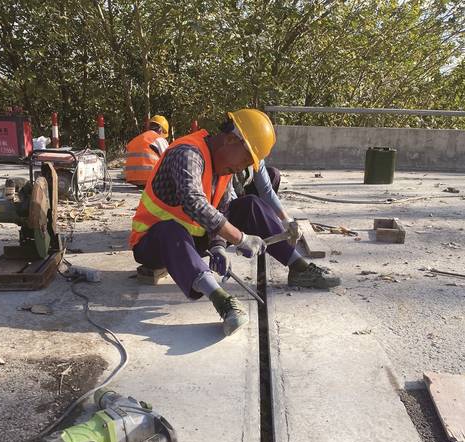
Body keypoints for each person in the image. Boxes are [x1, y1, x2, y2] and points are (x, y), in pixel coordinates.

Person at [129, 108, 340, 336]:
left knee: (250, 204)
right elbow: (193, 202)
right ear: (230, 139)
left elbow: (223, 210)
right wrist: (240, 239)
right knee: (171, 230)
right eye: (247, 158)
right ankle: (223, 301)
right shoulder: (187, 152)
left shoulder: (224, 168)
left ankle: (299, 267)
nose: (244, 168)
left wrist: (218, 246)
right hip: (152, 244)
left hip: (192, 239)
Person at [124, 115, 170, 186]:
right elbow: (169, 159)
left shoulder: (135, 140)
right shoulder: (158, 139)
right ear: (161, 129)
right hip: (150, 179)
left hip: (132, 178)